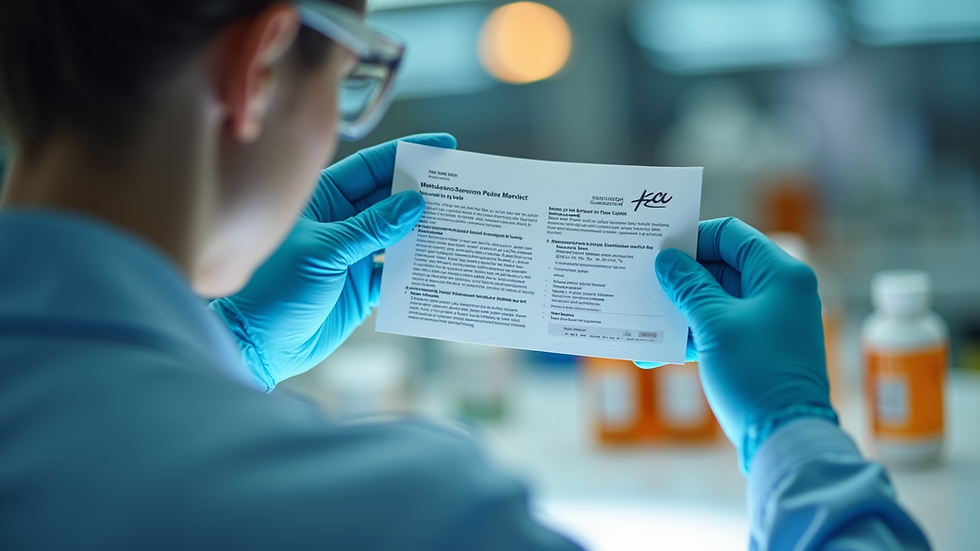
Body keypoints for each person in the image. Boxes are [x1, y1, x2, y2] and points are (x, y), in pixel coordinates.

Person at [0, 1, 932, 549]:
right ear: (263, 66)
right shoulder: (405, 513)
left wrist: (229, 352)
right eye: (355, 84)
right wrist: (795, 436)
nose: (342, 125)